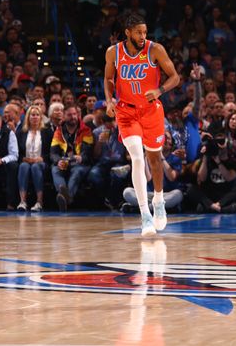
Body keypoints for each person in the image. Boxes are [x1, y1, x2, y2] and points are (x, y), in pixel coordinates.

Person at [104, 14, 181, 236]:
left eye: (145, 32)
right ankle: (145, 215)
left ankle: (158, 200)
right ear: (127, 32)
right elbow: (109, 79)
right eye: (139, 32)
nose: (143, 36)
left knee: (154, 159)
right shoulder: (113, 52)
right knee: (137, 157)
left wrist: (159, 91)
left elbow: (174, 77)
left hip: (151, 110)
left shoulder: (155, 49)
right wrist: (109, 100)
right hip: (126, 111)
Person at [49, 106, 92, 212]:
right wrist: (58, 161)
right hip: (65, 161)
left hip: (80, 163)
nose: (73, 117)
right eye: (69, 115)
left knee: (76, 171)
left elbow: (88, 153)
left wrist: (81, 157)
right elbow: (53, 152)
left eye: (74, 114)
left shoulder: (85, 130)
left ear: (77, 115)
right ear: (64, 116)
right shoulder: (59, 131)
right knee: (55, 169)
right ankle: (65, 196)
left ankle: (65, 198)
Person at [17, 106, 52, 211]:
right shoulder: (21, 132)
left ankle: (39, 202)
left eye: (37, 115)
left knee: (36, 167)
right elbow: (17, 151)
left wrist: (42, 158)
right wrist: (23, 158)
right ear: (28, 117)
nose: (35, 117)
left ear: (41, 117)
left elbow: (52, 151)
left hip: (41, 163)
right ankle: (23, 201)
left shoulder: (47, 132)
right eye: (32, 115)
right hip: (26, 161)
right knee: (23, 166)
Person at [0, 112, 19, 211]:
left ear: (1, 122)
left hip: (3, 165)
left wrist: (1, 160)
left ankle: (11, 203)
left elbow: (14, 155)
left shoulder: (9, 133)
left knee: (13, 166)